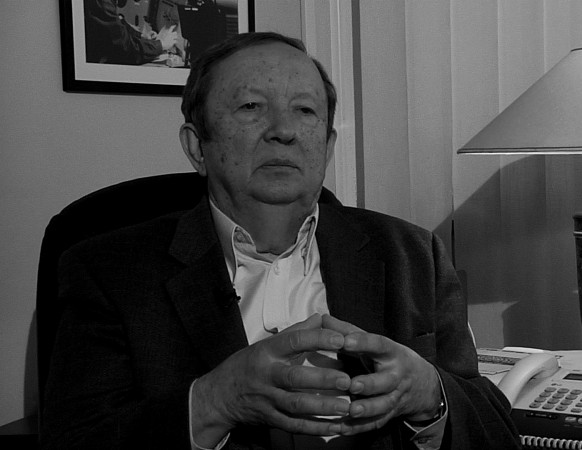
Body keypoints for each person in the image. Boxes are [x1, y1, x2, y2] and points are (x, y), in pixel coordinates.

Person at [41, 32, 521, 449]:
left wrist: (429, 393)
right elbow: (78, 439)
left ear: (327, 147)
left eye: (305, 110)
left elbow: (494, 429)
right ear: (196, 147)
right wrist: (215, 401)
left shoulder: (412, 254)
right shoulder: (108, 271)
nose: (284, 131)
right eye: (251, 107)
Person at [84, 0, 178, 65]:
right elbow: (123, 48)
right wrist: (160, 45)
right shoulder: (102, 2)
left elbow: (116, 24)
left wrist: (141, 36)